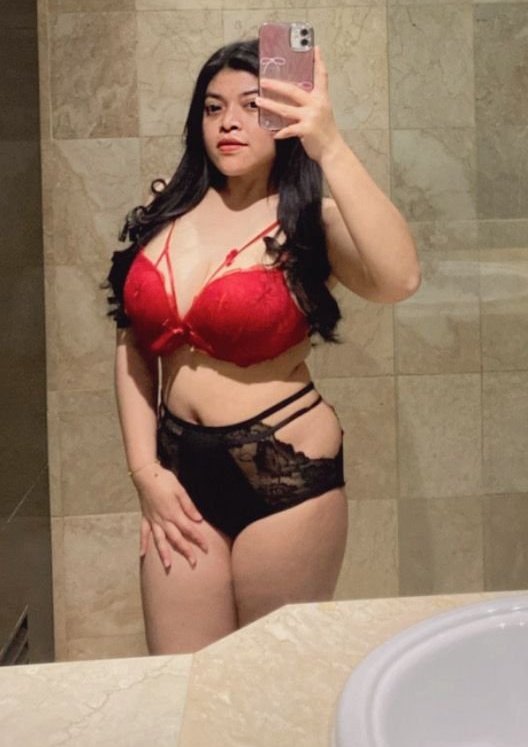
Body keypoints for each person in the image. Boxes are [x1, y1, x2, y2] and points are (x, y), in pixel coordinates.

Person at [105, 36, 420, 655]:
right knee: (183, 678)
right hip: (178, 472)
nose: (228, 122)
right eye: (213, 107)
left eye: (252, 106)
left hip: (284, 472)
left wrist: (328, 143)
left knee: (267, 681)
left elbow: (399, 279)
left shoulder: (310, 222)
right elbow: (135, 345)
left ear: (284, 117)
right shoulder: (164, 211)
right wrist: (145, 471)